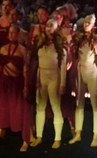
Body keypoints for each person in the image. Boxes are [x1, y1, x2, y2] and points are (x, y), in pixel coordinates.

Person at [0, 23, 32, 151]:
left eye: (14, 33)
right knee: (1, 109)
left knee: (20, 109)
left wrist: (25, 86)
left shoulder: (22, 50)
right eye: (10, 33)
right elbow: (0, 66)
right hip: (4, 82)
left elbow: (25, 69)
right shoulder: (3, 49)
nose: (11, 35)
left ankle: (25, 140)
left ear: (18, 34)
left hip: (17, 83)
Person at [29, 17, 67, 149]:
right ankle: (39, 136)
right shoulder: (40, 43)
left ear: (56, 28)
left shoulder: (60, 46)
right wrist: (35, 80)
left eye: (52, 26)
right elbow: (36, 62)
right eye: (47, 26)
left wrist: (62, 83)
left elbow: (62, 66)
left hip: (54, 77)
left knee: (56, 107)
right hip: (42, 77)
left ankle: (57, 138)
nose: (49, 28)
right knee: (40, 107)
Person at [70, 14, 97, 147]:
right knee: (79, 104)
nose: (86, 23)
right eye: (85, 22)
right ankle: (78, 134)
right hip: (80, 70)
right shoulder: (78, 38)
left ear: (93, 25)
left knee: (95, 105)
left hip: (92, 72)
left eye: (89, 22)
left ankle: (95, 135)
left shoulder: (96, 40)